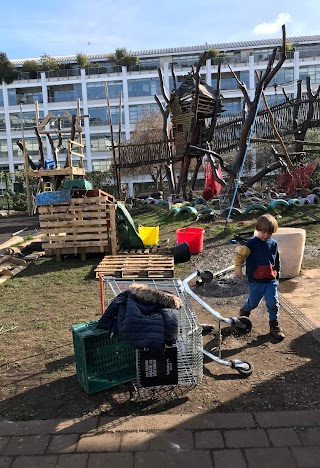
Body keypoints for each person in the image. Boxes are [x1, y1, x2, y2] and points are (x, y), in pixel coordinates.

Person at [234, 213, 285, 341]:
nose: (265, 236)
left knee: (273, 303)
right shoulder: (251, 243)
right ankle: (245, 310)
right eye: (263, 232)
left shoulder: (273, 244)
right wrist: (238, 267)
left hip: (270, 280)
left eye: (269, 233)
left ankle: (274, 325)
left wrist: (277, 275)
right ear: (257, 229)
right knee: (253, 303)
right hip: (256, 281)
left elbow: (276, 261)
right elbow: (240, 256)